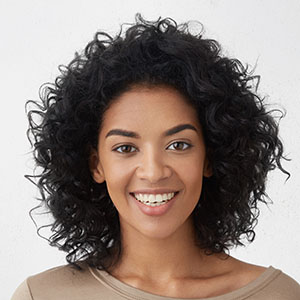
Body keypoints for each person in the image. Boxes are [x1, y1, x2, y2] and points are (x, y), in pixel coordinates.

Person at [12, 13, 300, 300]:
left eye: (178, 145)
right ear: (96, 165)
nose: (153, 171)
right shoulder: (41, 296)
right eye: (126, 148)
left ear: (210, 158)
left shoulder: (280, 295)